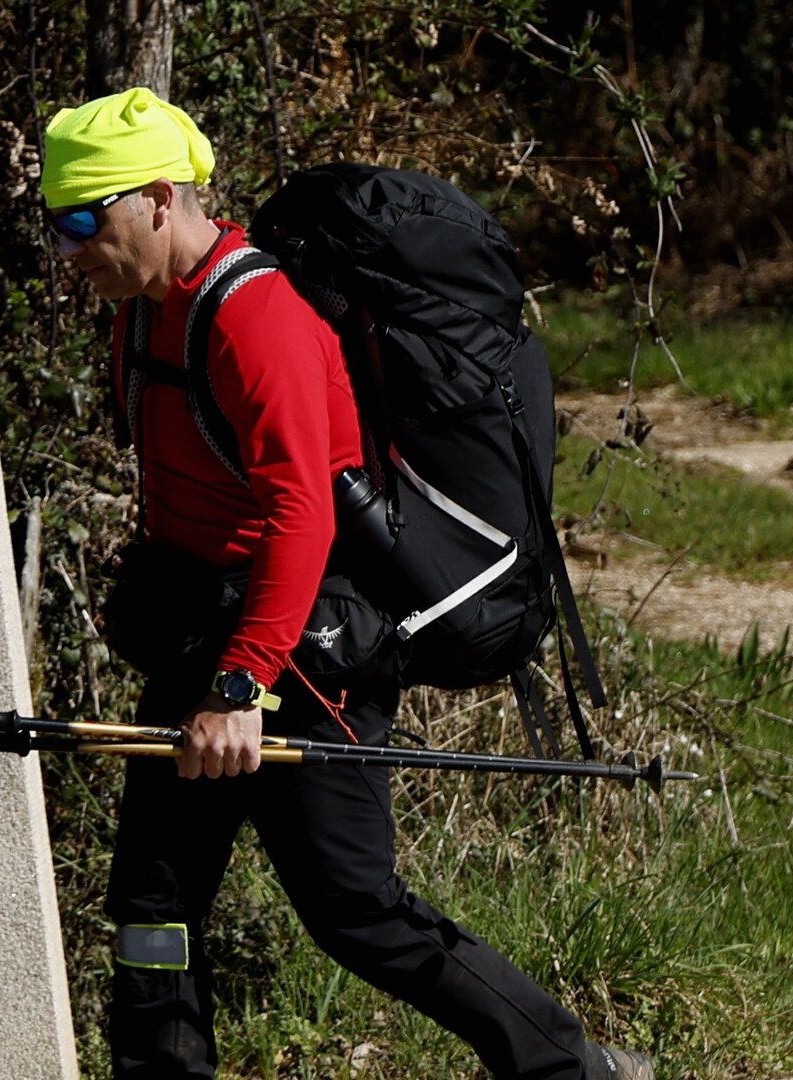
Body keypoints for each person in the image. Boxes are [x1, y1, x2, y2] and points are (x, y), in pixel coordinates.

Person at [39, 87, 656, 1080]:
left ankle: (572, 1068)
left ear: (155, 198)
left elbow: (303, 515)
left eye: (81, 221)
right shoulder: (145, 313)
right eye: (55, 224)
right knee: (154, 907)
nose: (67, 248)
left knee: (356, 911)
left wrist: (242, 686)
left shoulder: (255, 319)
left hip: (299, 658)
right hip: (206, 640)